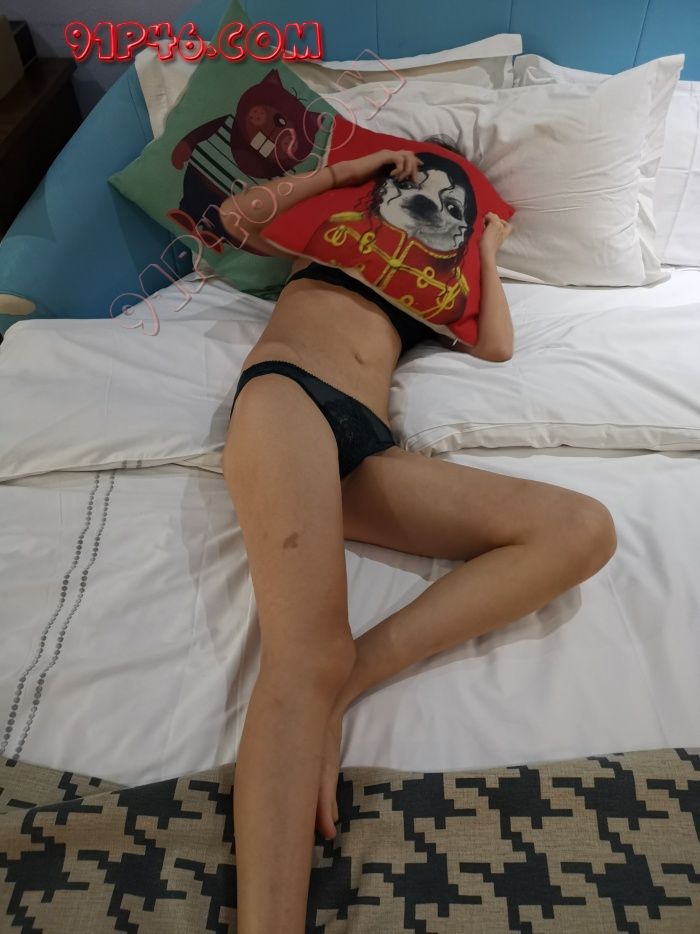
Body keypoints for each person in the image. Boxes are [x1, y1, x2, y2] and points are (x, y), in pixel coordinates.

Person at [219, 140, 618, 934]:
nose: (432, 198)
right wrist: (352, 170)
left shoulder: (437, 276)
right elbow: (237, 215)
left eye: (452, 199)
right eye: (421, 181)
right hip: (289, 396)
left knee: (583, 528)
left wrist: (487, 250)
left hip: (369, 445)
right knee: (306, 655)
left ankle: (347, 685)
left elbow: (496, 345)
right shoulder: (333, 228)